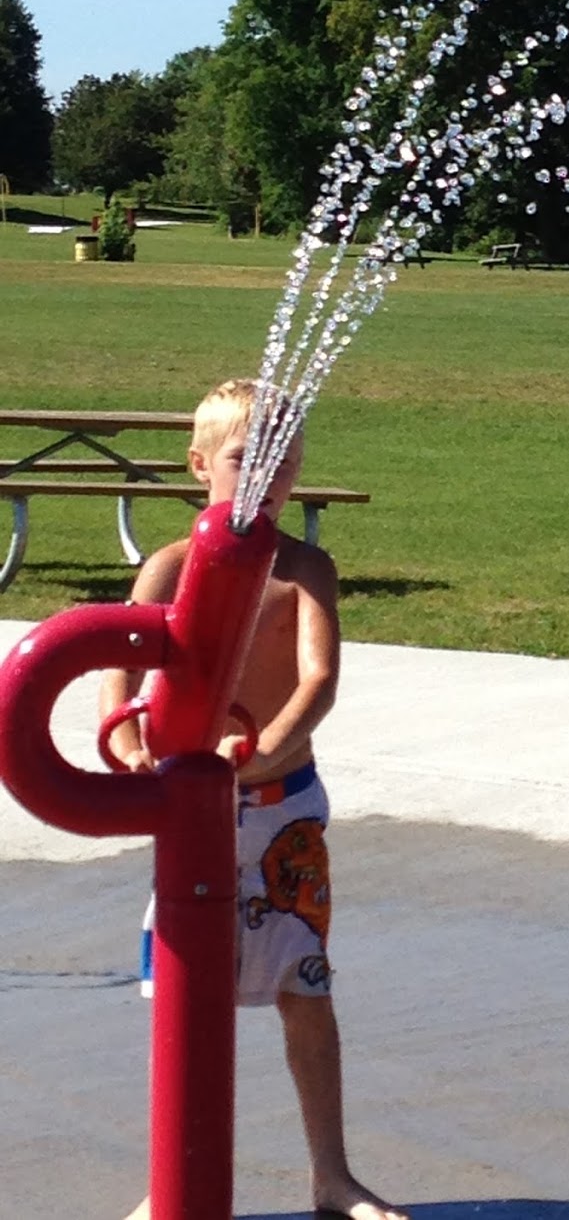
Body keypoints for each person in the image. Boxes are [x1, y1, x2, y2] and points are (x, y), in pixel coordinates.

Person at [100, 378, 406, 1220]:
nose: (268, 474)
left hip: (283, 812)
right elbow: (117, 676)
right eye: (246, 457)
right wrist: (128, 749)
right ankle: (173, 1181)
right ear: (200, 465)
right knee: (188, 1004)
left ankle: (332, 1176)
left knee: (306, 996)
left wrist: (263, 750)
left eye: (285, 459)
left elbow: (319, 680)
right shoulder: (167, 568)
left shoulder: (306, 568)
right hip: (192, 825)